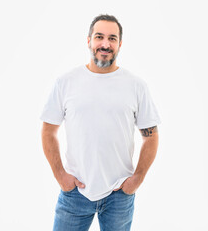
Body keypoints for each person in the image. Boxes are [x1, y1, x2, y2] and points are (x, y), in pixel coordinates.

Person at [40, 14, 161, 231]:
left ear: (120, 44)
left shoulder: (136, 86)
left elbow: (150, 137)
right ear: (89, 41)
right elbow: (49, 130)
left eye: (112, 38)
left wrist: (137, 179)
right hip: (75, 193)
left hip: (119, 195)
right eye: (99, 37)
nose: (105, 44)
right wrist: (60, 175)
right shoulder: (66, 83)